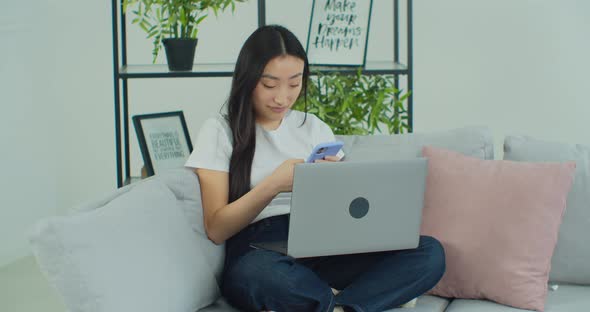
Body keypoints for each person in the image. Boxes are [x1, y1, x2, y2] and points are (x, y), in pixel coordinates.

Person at [184, 25, 445, 312]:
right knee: (259, 275)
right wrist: (273, 185)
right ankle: (353, 299)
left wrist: (337, 182)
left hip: (324, 243)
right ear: (247, 80)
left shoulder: (314, 127)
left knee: (430, 252)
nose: (282, 98)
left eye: (294, 84)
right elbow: (216, 228)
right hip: (259, 250)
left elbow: (349, 208)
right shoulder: (219, 130)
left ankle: (333, 304)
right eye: (269, 85)